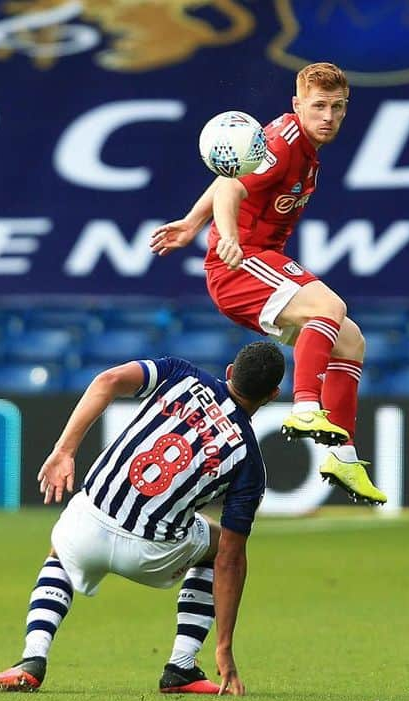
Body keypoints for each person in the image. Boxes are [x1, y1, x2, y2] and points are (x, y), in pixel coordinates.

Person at [0, 341, 284, 696]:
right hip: (151, 554)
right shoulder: (249, 462)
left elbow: (108, 380)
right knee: (216, 548)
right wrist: (225, 647)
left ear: (230, 371)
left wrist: (64, 450)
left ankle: (33, 658)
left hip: (87, 527)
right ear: (273, 394)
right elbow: (232, 559)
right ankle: (182, 665)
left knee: (59, 552)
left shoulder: (180, 373)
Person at [150, 61, 386, 505]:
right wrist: (229, 236)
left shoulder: (296, 146)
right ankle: (304, 408)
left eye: (338, 108)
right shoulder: (284, 141)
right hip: (241, 266)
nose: (329, 117)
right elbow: (230, 191)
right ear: (297, 105)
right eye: (319, 106)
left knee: (350, 340)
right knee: (329, 308)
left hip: (259, 260)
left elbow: (231, 174)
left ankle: (343, 456)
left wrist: (188, 223)